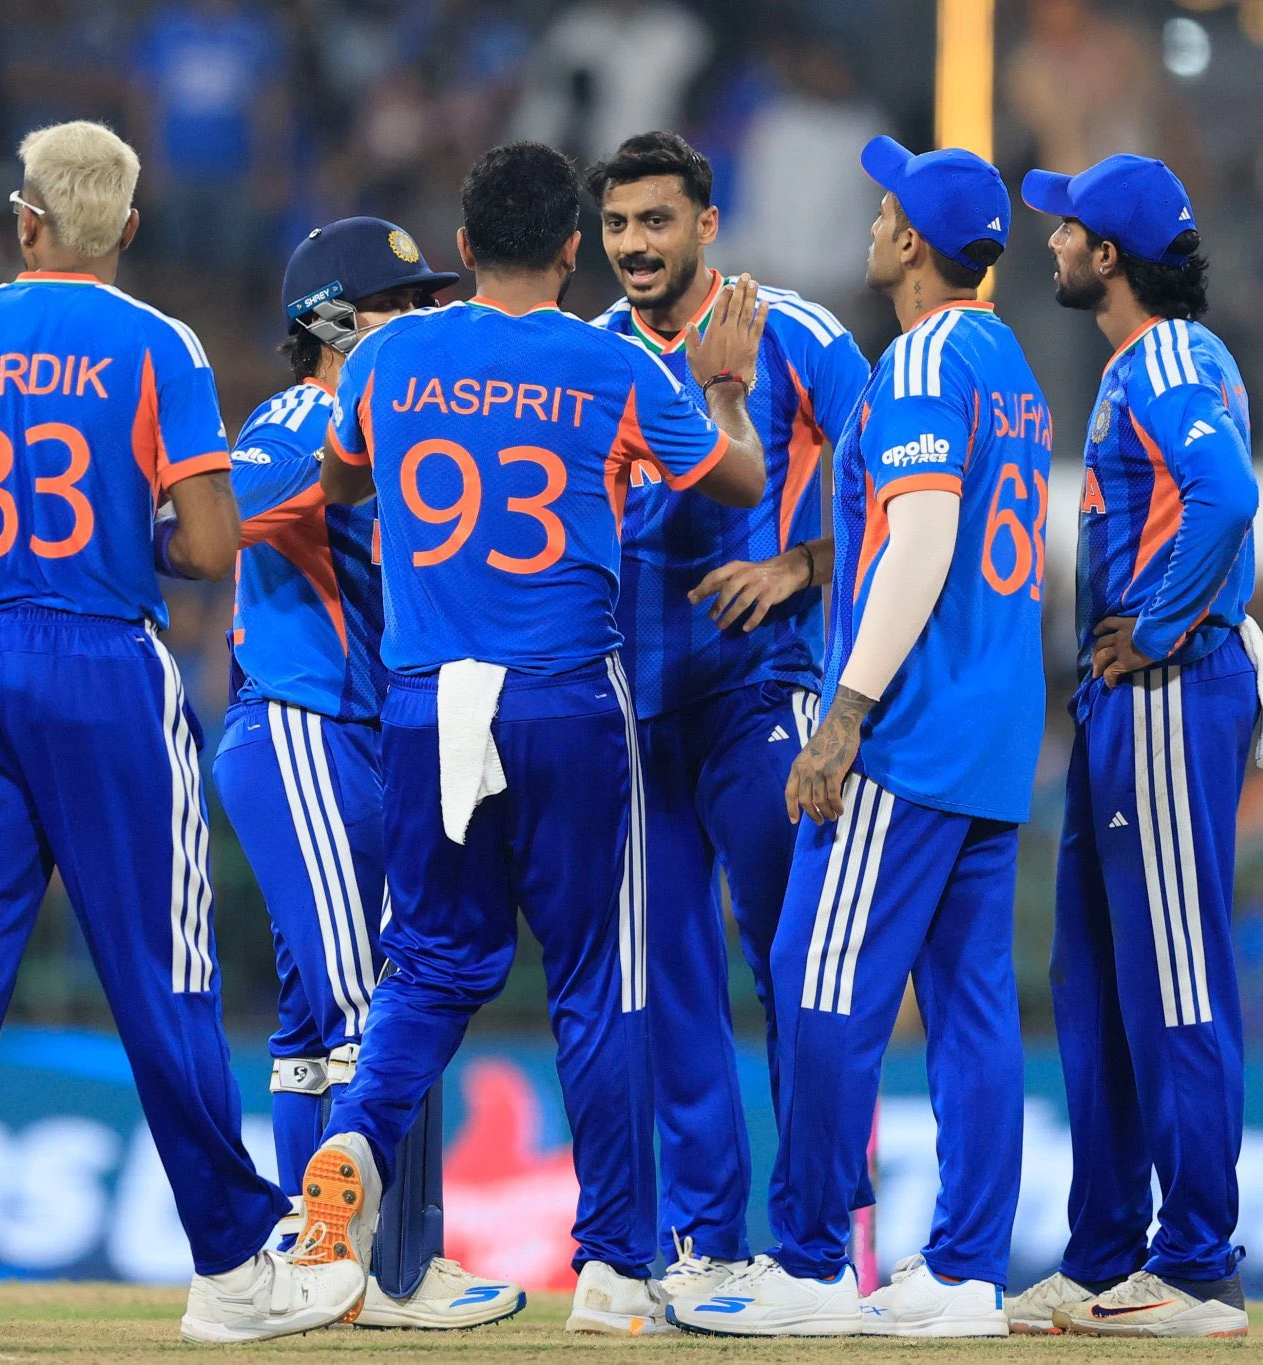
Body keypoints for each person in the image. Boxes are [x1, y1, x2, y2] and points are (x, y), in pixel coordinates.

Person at [0, 120, 364, 1346]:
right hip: (100, 664)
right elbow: (210, 542)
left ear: (23, 219)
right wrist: (112, 532)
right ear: (129, 228)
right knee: (165, 976)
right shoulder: (157, 343)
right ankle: (232, 1272)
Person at [293, 141, 769, 1336]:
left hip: (426, 700)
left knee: (430, 964)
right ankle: (609, 1269)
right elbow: (735, 483)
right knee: (596, 978)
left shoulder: (387, 355)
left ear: (461, 248)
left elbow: (338, 481)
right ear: (571, 247)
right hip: (564, 698)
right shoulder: (610, 363)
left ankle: (353, 1144)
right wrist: (722, 391)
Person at [672, 138, 1049, 1340]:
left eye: (887, 212)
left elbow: (920, 543)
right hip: (992, 726)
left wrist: (843, 714)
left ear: (914, 244)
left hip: (910, 730)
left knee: (816, 979)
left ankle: (811, 1264)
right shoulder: (1004, 361)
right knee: (971, 1005)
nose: (873, 224)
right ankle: (966, 1272)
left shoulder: (924, 357)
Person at [211, 215, 520, 1329]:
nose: (427, 314)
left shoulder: (395, 414)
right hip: (306, 723)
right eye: (403, 302)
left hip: (350, 735)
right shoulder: (301, 415)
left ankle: (328, 1262)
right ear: (333, 322)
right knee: (373, 1005)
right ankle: (384, 1271)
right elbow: (218, 514)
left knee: (314, 1027)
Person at [582, 130, 868, 1300]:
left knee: (796, 967)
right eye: (615, 225)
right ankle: (706, 1244)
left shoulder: (798, 336)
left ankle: (819, 1244)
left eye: (655, 221)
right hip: (633, 708)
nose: (634, 245)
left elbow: (912, 492)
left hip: (758, 690)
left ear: (707, 224)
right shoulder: (589, 355)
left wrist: (799, 566)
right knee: (670, 984)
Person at [1009, 153, 1263, 1338]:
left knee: (1171, 980)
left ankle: (1196, 1265)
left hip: (1163, 691)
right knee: (1097, 983)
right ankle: (1106, 1255)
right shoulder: (1152, 363)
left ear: (1108, 255)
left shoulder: (1161, 360)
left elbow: (1225, 494)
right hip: (1130, 704)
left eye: (1067, 228)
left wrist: (1158, 626)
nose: (1052, 241)